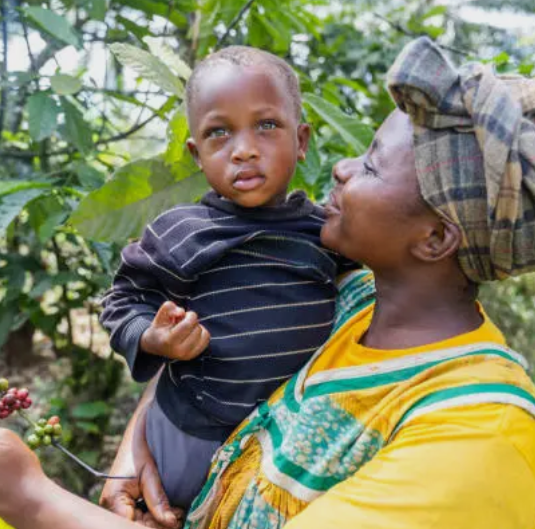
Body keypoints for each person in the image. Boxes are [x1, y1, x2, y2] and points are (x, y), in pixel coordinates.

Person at [1, 36, 535, 529]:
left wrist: (28, 496)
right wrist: (140, 442)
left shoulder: (478, 430)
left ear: (436, 238)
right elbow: (221, 323)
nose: (343, 168)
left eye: (371, 167)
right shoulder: (357, 301)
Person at [99, 45, 354, 511]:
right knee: (166, 515)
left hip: (290, 437)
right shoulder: (180, 232)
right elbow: (121, 303)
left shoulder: (326, 234)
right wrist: (155, 338)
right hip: (193, 430)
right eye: (219, 133)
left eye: (267, 125)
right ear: (197, 153)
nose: (244, 149)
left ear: (302, 140)